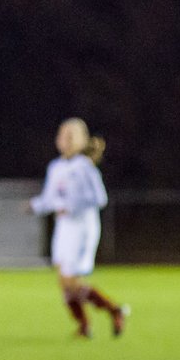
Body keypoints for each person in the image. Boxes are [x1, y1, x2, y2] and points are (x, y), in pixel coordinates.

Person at [29, 117, 128, 338]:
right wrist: (34, 206)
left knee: (71, 280)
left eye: (70, 136)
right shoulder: (55, 167)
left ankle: (113, 310)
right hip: (63, 227)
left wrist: (70, 207)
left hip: (82, 228)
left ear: (82, 140)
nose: (64, 140)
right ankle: (86, 325)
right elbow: (49, 199)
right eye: (62, 135)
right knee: (64, 281)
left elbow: (99, 198)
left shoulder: (85, 167)